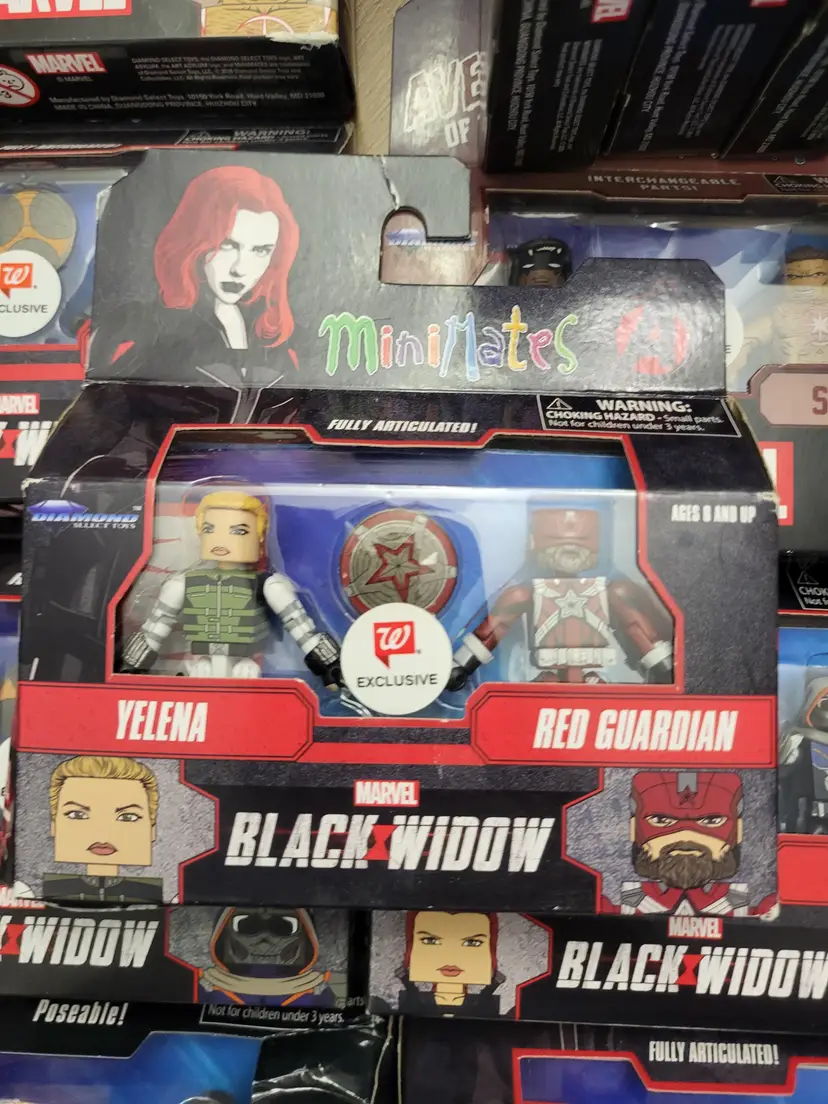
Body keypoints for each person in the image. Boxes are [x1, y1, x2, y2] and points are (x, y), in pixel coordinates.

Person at [43, 755, 163, 903]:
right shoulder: (43, 890)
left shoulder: (155, 893)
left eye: (127, 817)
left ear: (152, 830)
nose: (103, 835)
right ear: (54, 825)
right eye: (78, 815)